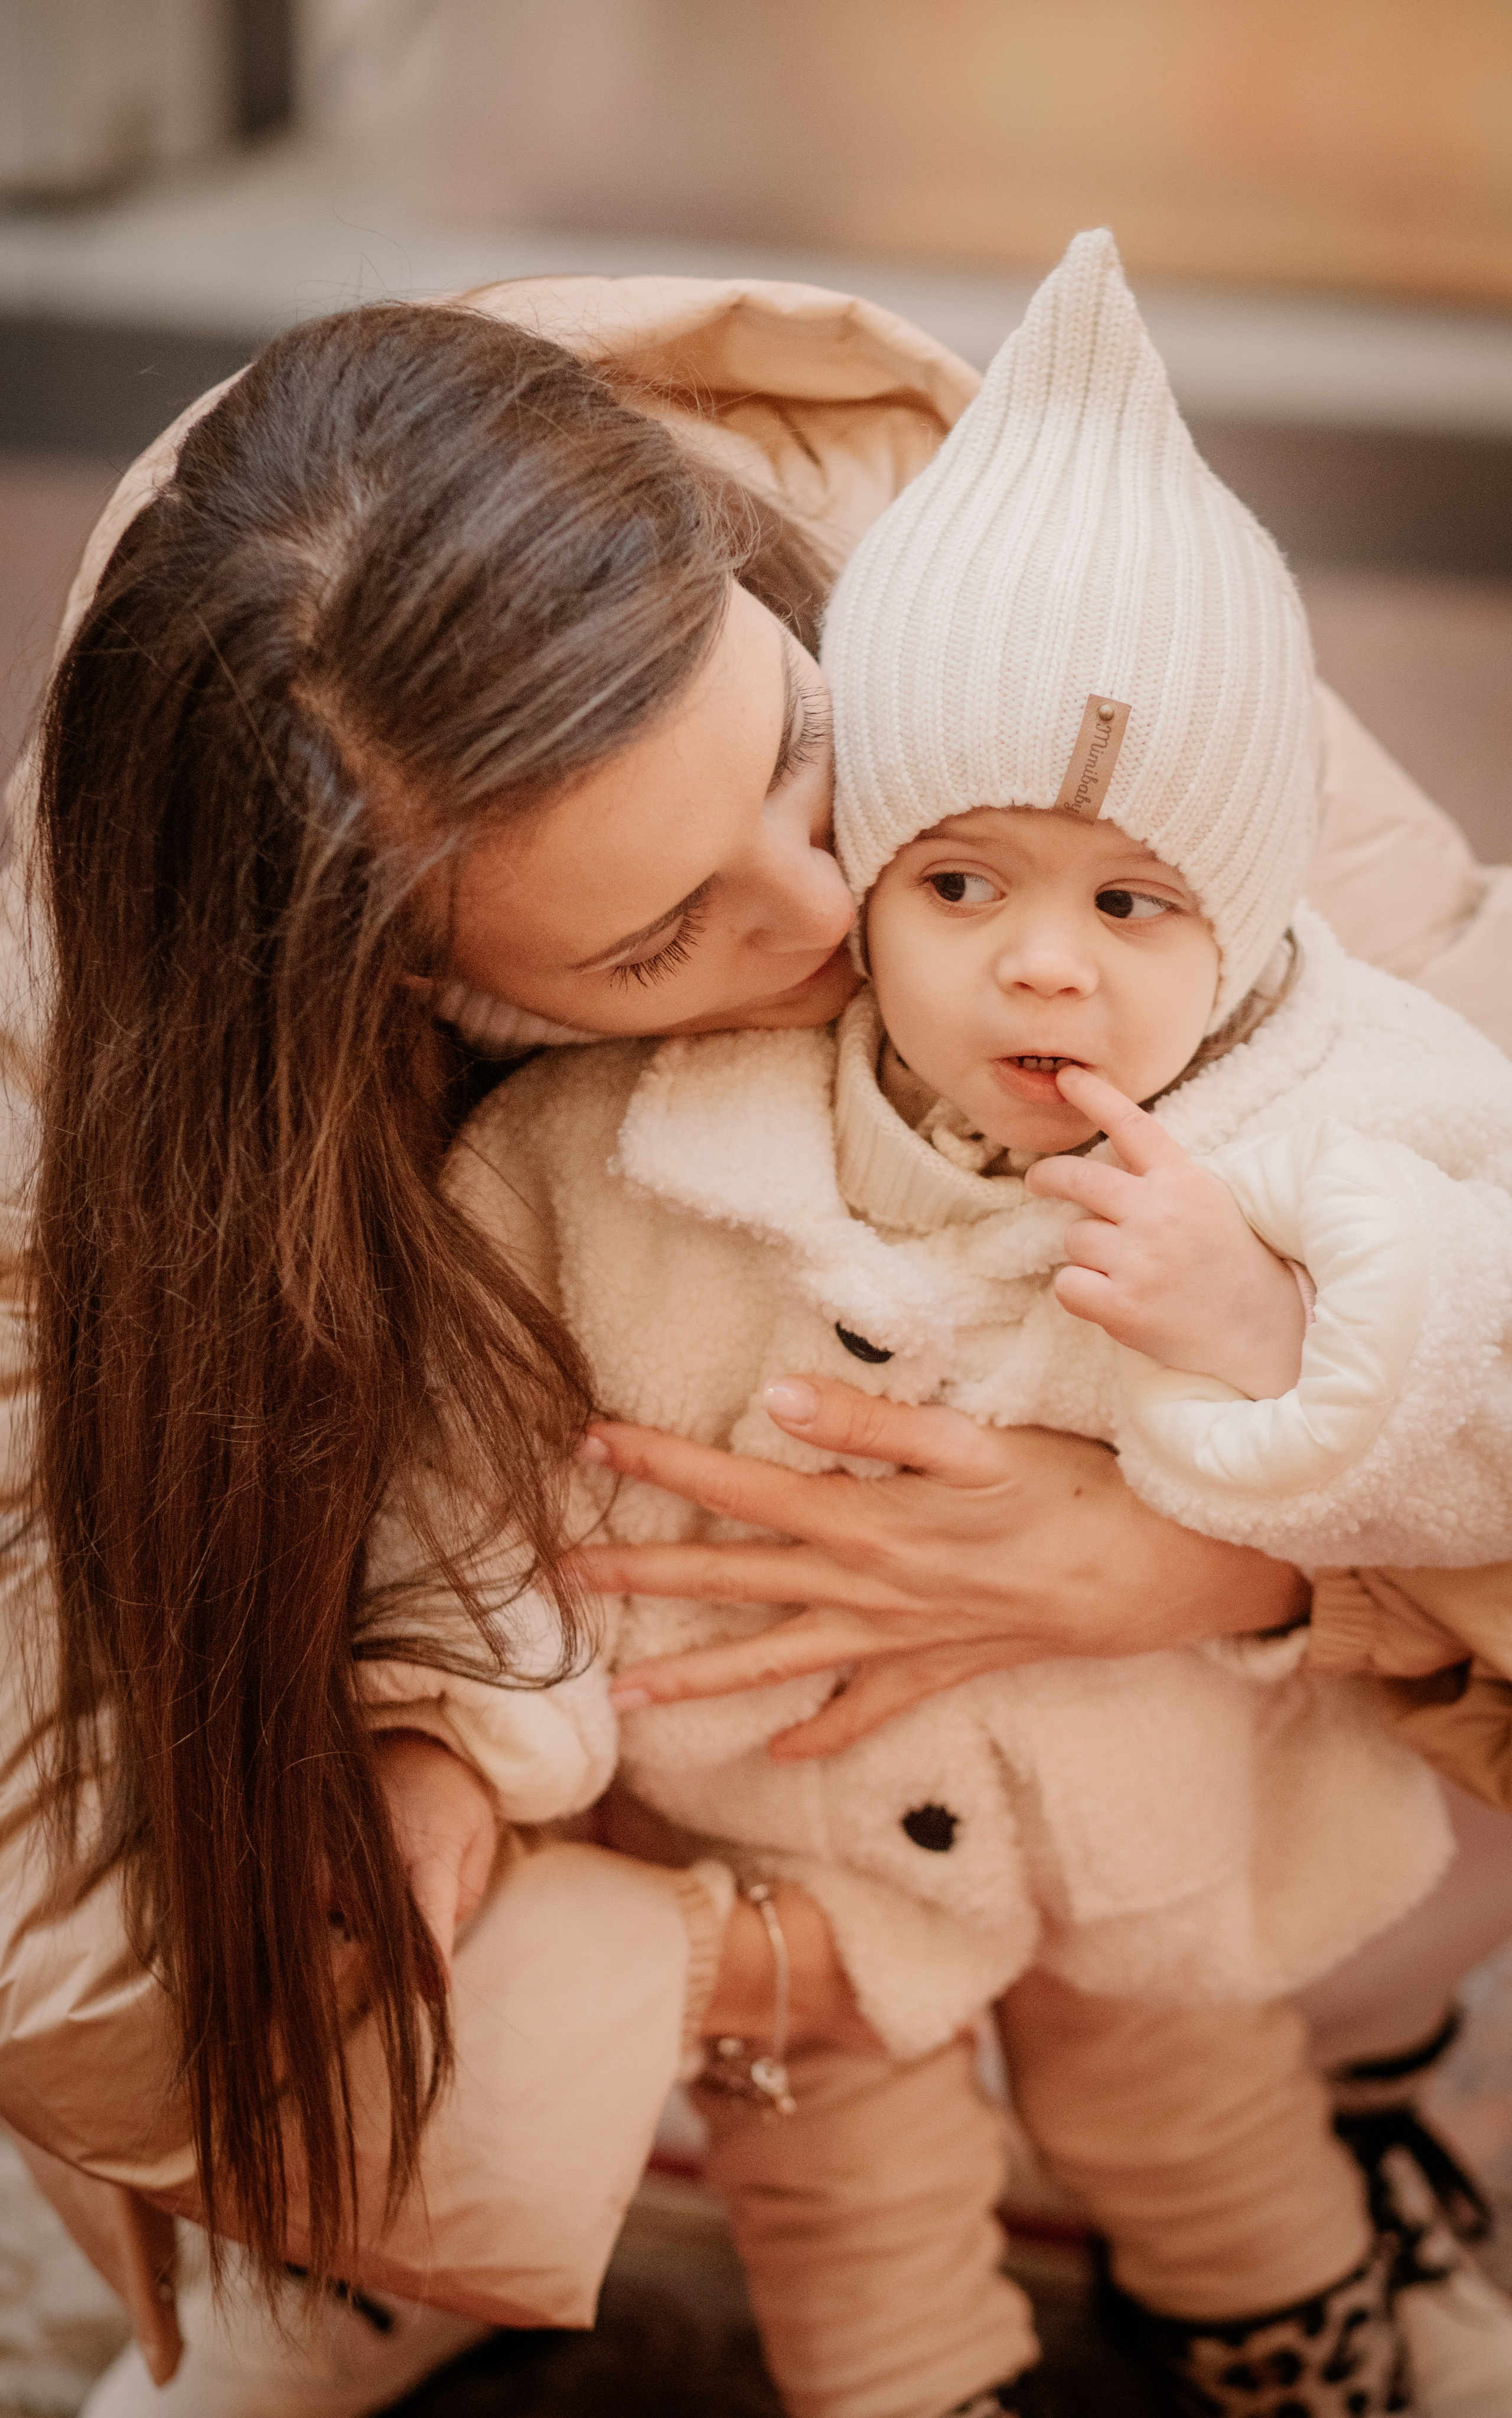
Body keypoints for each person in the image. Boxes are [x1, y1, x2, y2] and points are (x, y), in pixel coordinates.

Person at [0, 270, 1503, 2418]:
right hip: (677, 1744)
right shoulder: (160, 1036)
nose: (834, 934)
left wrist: (1248, 1567)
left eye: (805, 765)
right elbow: (38, 1884)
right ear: (409, 1000)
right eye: (654, 939)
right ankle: (387, 2210)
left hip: (1189, 1725)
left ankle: (1349, 2086)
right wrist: (702, 1951)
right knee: (297, 1836)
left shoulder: (1019, 602)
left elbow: (1468, 1160)